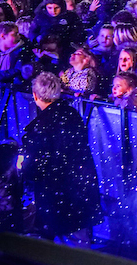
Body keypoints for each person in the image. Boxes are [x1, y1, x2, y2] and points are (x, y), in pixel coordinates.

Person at [22, 72, 103, 242]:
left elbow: (33, 167)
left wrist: (24, 173)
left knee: (59, 245)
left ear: (35, 96)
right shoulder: (72, 114)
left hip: (56, 194)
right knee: (79, 241)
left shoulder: (39, 128)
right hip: (80, 189)